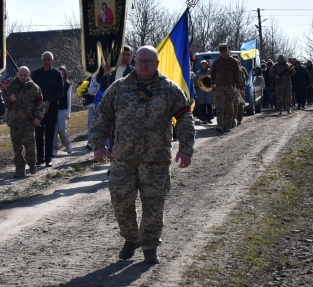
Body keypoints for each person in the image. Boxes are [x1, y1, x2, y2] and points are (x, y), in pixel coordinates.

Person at [91, 46, 195, 264]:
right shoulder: (119, 89)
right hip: (123, 158)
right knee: (120, 200)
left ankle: (149, 245)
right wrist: (98, 145)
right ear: (135, 62)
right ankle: (131, 238)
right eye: (140, 61)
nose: (144, 65)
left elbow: (184, 118)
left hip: (156, 159)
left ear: (157, 64)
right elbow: (102, 117)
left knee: (153, 204)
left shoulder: (170, 89)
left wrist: (186, 148)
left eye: (149, 61)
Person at [5, 66, 44, 177]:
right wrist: (10, 100)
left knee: (29, 146)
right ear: (17, 74)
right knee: (17, 149)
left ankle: (32, 164)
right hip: (14, 123)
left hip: (28, 123)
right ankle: (19, 170)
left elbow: (39, 104)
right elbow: (5, 103)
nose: (22, 77)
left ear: (29, 75)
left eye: (25, 75)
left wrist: (38, 118)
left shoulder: (35, 88)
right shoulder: (9, 88)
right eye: (21, 75)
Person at [32, 51, 64, 168]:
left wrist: (49, 101)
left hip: (52, 107)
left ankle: (48, 158)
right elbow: (31, 91)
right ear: (42, 60)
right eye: (45, 59)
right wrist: (40, 103)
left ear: (52, 61)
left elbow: (60, 92)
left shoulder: (56, 74)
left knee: (50, 133)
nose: (46, 61)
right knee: (39, 133)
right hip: (38, 108)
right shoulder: (35, 74)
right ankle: (39, 158)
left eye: (49, 59)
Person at [209, 44, 243, 133]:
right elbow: (212, 74)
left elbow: (237, 75)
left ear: (228, 51)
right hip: (219, 87)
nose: (223, 54)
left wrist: (238, 87)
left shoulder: (233, 62)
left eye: (224, 52)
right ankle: (220, 125)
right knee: (220, 106)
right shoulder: (216, 62)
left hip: (230, 87)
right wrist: (212, 85)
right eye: (221, 52)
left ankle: (228, 124)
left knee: (229, 106)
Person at [53, 65, 72, 156]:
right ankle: (55, 148)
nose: (61, 75)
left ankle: (67, 143)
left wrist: (68, 113)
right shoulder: (53, 84)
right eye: (60, 73)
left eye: (63, 73)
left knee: (62, 129)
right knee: (54, 130)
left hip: (63, 109)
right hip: (54, 109)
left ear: (65, 74)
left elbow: (69, 99)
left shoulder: (68, 85)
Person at [194, 60, 213, 124]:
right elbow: (195, 80)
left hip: (208, 91)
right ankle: (204, 119)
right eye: (202, 65)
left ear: (206, 65)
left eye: (204, 64)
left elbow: (213, 79)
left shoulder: (210, 72)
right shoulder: (198, 73)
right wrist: (200, 79)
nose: (203, 66)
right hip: (201, 91)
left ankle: (209, 119)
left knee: (209, 106)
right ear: (201, 66)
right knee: (203, 107)